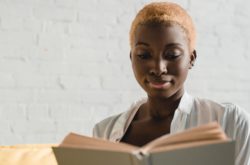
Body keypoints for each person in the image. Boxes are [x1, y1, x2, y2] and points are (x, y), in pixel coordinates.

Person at [92, 2, 250, 165]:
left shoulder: (230, 122)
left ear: (191, 58)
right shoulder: (104, 132)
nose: (158, 68)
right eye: (144, 55)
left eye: (172, 55)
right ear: (132, 58)